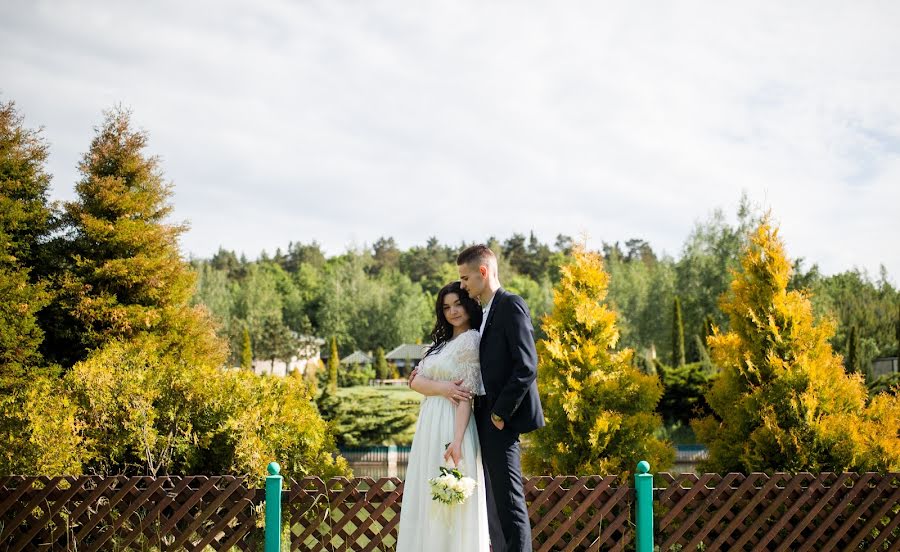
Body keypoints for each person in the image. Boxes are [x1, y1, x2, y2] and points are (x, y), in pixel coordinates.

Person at [413, 244, 544, 552]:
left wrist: (500, 413)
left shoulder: (510, 305)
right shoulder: (485, 313)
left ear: (483, 273)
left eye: (465, 278)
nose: (462, 285)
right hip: (480, 416)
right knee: (493, 504)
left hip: (500, 419)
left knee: (510, 504)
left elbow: (527, 366)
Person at [396, 281, 491, 552]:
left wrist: (458, 440)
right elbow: (414, 383)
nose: (453, 311)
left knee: (451, 498)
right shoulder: (439, 345)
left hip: (452, 424)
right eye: (446, 307)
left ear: (469, 305)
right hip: (429, 423)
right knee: (427, 494)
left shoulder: (471, 340)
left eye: (458, 304)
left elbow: (464, 397)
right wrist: (444, 387)